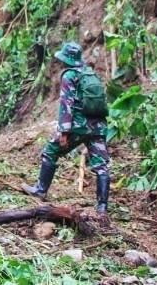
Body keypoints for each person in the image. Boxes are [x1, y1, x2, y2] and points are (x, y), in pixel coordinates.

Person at [23, 42, 111, 215]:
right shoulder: (90, 73)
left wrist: (64, 132)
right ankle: (102, 207)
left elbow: (67, 105)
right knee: (102, 166)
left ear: (67, 59)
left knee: (50, 151)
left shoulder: (69, 76)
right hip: (98, 127)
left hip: (78, 127)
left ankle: (40, 190)